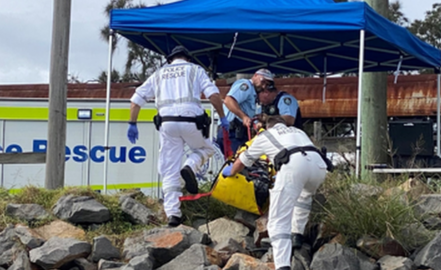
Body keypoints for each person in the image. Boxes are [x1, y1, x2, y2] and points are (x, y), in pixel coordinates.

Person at [127, 45, 229, 227]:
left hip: (167, 124)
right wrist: (222, 116)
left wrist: (132, 124)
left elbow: (135, 101)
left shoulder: (158, 74)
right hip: (192, 121)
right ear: (187, 58)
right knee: (206, 148)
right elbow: (213, 95)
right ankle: (190, 166)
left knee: (169, 168)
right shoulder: (195, 69)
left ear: (170, 60)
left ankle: (173, 214)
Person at [222, 116, 327, 270]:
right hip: (319, 166)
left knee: (277, 222)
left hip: (294, 165)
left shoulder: (266, 135)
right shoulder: (298, 131)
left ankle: (283, 265)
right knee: (304, 195)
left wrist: (230, 171)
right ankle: (297, 234)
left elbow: (242, 161)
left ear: (267, 126)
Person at [216, 69, 274, 154]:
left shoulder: (254, 94)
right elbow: (228, 101)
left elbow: (251, 114)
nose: (264, 86)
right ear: (255, 75)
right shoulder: (246, 86)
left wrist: (257, 122)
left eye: (267, 84)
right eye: (263, 81)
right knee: (235, 164)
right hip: (231, 133)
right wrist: (243, 117)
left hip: (240, 135)